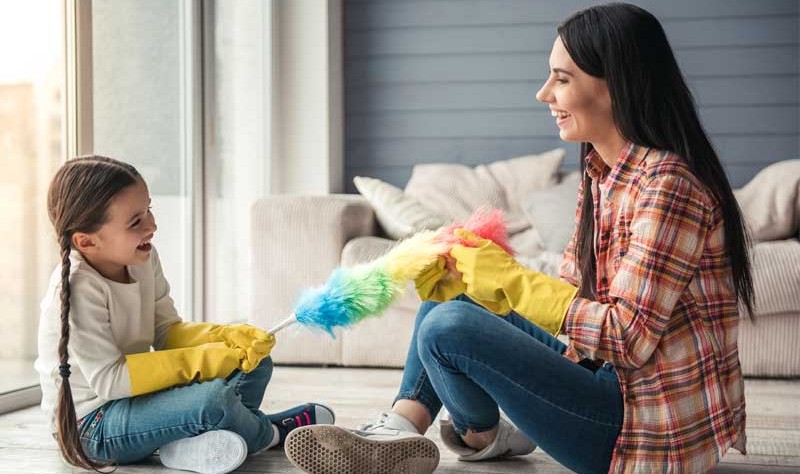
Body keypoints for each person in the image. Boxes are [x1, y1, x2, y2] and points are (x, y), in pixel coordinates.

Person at [284, 3, 751, 473]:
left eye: (561, 79)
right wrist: (483, 279)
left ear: (615, 84)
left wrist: (510, 281)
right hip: (601, 378)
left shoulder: (668, 185)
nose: (543, 93)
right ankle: (402, 429)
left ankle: (479, 432)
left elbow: (626, 338)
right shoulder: (601, 176)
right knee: (448, 302)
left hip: (641, 428)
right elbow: (572, 300)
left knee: (449, 328)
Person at [35, 156, 334, 474]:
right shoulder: (77, 287)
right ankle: (270, 434)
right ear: (87, 241)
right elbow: (111, 381)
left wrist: (225, 338)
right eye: (135, 222)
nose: (152, 225)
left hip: (135, 399)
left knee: (254, 361)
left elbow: (166, 331)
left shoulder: (143, 259)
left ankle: (185, 443)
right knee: (213, 400)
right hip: (92, 425)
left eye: (149, 209)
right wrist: (202, 362)